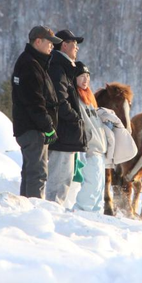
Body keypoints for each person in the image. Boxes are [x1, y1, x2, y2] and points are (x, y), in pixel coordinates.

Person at [11, 26, 62, 199]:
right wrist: (47, 127)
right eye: (49, 43)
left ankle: (26, 206)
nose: (52, 47)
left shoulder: (33, 62)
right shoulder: (30, 65)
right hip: (33, 130)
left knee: (30, 172)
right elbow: (34, 102)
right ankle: (33, 210)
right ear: (38, 41)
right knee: (37, 173)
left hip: (31, 128)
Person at [46, 29, 88, 204]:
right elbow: (60, 100)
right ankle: (49, 213)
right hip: (63, 133)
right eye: (74, 44)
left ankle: (54, 211)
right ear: (64, 45)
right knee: (58, 180)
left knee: (65, 179)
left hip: (67, 134)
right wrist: (75, 119)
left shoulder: (64, 68)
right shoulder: (58, 69)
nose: (77, 48)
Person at [73, 62, 107, 212]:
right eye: (82, 76)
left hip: (99, 150)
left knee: (99, 188)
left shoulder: (89, 99)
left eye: (87, 76)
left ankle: (96, 215)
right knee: (91, 185)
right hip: (90, 149)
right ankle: (81, 212)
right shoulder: (76, 98)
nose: (85, 79)